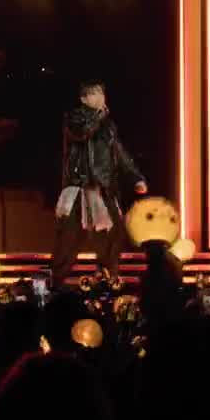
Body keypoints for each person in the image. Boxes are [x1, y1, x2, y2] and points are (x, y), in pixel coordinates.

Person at [52, 80, 147, 288]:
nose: (100, 97)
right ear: (83, 99)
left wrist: (136, 177)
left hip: (103, 186)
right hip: (79, 185)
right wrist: (99, 115)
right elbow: (82, 133)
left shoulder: (108, 125)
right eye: (94, 94)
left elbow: (119, 153)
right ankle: (55, 282)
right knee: (70, 238)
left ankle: (108, 279)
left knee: (114, 233)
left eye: (101, 93)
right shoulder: (74, 118)